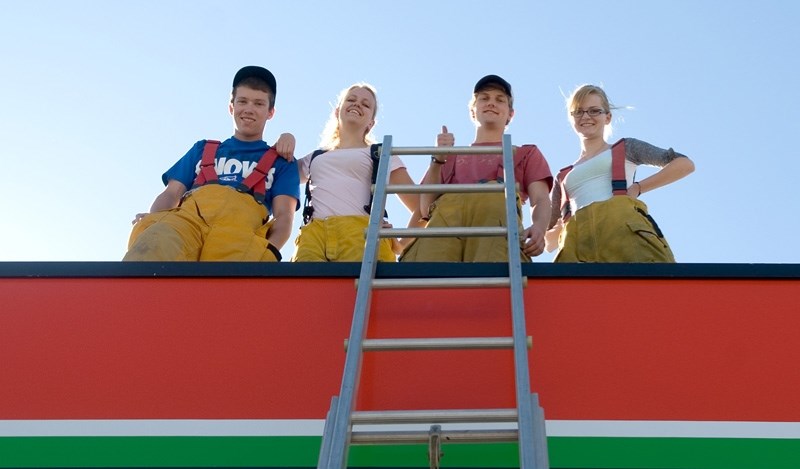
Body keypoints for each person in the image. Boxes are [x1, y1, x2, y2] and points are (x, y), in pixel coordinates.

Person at [123, 66, 300, 261]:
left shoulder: (282, 161)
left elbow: (284, 215)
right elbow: (172, 193)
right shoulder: (203, 149)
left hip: (239, 236)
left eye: (258, 103)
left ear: (270, 112)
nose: (249, 109)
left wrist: (270, 250)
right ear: (231, 106)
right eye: (242, 101)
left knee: (229, 288)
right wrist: (154, 218)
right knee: (152, 248)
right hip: (188, 222)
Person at [400, 75, 553, 262]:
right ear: (473, 110)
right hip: (445, 232)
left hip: (494, 235)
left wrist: (539, 227)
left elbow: (541, 199)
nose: (491, 103)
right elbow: (425, 210)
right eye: (484, 98)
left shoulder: (524, 154)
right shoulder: (449, 156)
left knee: (493, 283)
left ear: (510, 114)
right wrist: (438, 159)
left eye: (500, 100)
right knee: (432, 280)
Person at [545, 84, 695, 262]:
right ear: (572, 118)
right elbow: (548, 241)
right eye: (578, 111)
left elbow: (685, 164)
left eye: (594, 111)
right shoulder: (562, 177)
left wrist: (637, 188)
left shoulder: (626, 148)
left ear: (607, 117)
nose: (586, 116)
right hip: (578, 247)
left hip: (625, 235)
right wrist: (554, 232)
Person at [291, 83, 422, 262]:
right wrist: (286, 137)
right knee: (305, 288)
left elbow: (421, 207)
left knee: (355, 290)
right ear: (337, 112)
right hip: (313, 237)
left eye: (366, 104)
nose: (357, 104)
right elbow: (278, 176)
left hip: (361, 235)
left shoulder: (380, 155)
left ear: (371, 123)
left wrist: (400, 245)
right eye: (351, 100)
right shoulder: (315, 157)